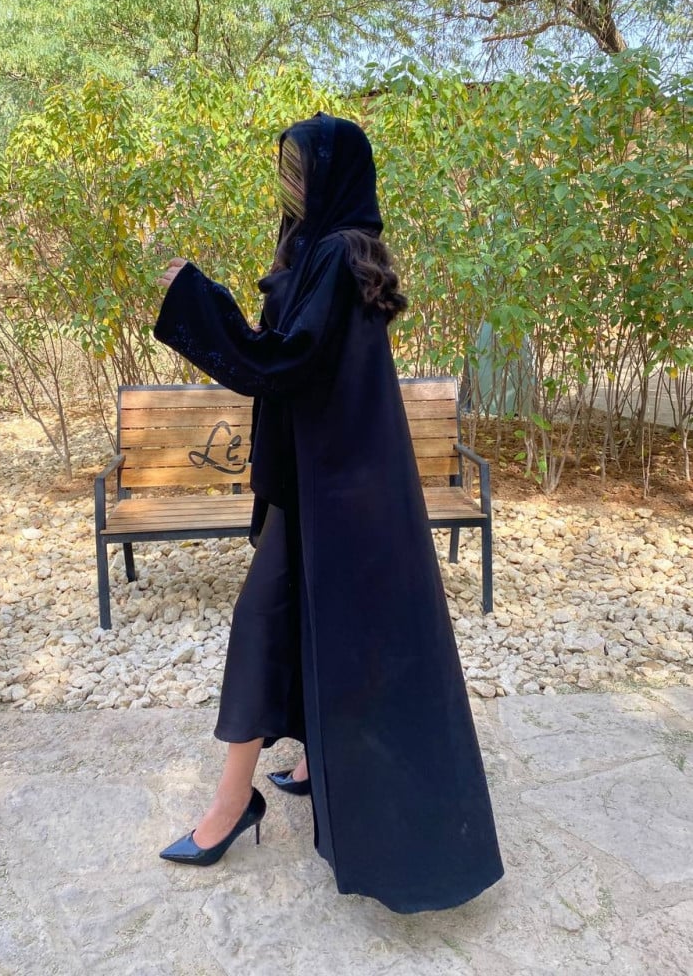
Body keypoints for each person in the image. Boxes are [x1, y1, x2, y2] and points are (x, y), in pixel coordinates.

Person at [154, 113, 504, 914]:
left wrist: (195, 299)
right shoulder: (330, 253)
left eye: (300, 170)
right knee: (308, 619)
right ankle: (315, 760)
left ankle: (231, 805)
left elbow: (283, 363)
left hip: (340, 491)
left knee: (262, 620)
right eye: (286, 170)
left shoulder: (337, 256)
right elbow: (299, 363)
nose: (290, 184)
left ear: (334, 178)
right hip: (332, 485)